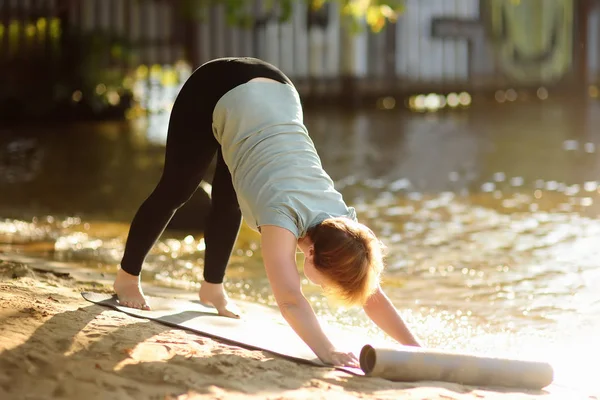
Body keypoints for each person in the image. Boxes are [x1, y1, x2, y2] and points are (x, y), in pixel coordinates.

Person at [113, 57, 421, 368]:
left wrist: (415, 348)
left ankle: (212, 288)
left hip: (279, 91)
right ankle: (126, 278)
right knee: (176, 189)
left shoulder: (344, 226)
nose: (325, 288)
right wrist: (327, 351)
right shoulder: (281, 217)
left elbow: (372, 296)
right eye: (328, 284)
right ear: (311, 254)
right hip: (216, 87)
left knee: (231, 198)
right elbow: (289, 298)